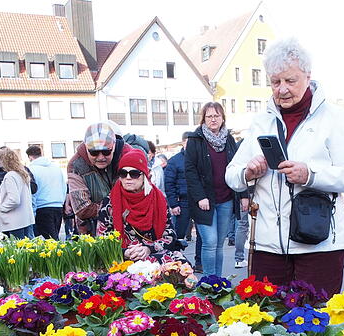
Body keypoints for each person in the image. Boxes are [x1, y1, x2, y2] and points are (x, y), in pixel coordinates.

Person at [225, 37, 344, 294]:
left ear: (308, 76)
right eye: (275, 82)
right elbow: (231, 176)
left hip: (319, 246)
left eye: (290, 81)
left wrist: (310, 175)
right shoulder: (261, 121)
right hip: (267, 246)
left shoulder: (334, 118)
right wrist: (247, 172)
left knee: (317, 328)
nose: (282, 89)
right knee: (266, 328)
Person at [185, 102, 247, 277]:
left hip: (226, 199)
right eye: (209, 116)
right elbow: (190, 171)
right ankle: (209, 283)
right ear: (204, 119)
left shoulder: (229, 139)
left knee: (219, 243)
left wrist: (243, 194)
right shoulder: (195, 140)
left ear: (222, 118)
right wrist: (200, 197)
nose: (213, 119)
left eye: (216, 116)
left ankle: (218, 283)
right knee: (210, 242)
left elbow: (238, 167)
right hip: (204, 201)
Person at [96, 147, 186, 263]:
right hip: (121, 257)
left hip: (153, 253)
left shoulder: (159, 199)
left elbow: (169, 236)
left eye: (134, 173)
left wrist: (148, 248)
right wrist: (124, 252)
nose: (128, 178)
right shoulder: (109, 202)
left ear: (144, 175)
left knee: (180, 265)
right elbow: (102, 240)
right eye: (123, 173)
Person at [67, 122, 130, 235]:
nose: (101, 157)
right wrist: (120, 207)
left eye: (106, 151)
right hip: (93, 229)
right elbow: (82, 209)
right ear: (86, 147)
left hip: (130, 227)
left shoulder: (128, 155)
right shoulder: (76, 164)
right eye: (94, 152)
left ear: (114, 145)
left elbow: (142, 195)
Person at [165, 132, 202, 271]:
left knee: (202, 235)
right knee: (177, 235)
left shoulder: (199, 159)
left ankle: (199, 263)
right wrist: (173, 204)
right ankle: (176, 264)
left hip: (198, 202)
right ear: (183, 142)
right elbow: (169, 183)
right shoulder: (174, 160)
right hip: (182, 202)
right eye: (188, 142)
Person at [26, 145, 67, 239]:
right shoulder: (56, 167)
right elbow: (63, 187)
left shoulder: (31, 169)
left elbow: (32, 191)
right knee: (54, 238)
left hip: (42, 207)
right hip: (58, 206)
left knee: (47, 242)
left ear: (30, 157)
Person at [0, 148, 35, 239]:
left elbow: (14, 200)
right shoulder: (21, 174)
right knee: (26, 249)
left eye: (0, 157)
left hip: (13, 222)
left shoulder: (10, 176)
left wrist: (2, 208)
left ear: (5, 160)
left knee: (17, 250)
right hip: (25, 219)